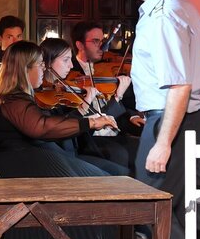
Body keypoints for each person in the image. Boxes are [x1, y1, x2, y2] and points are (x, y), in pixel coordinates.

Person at [0, 40, 119, 239]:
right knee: (92, 188)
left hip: (32, 161)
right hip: (18, 168)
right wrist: (90, 122)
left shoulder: (17, 98)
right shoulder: (11, 100)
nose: (44, 69)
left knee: (103, 183)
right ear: (24, 69)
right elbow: (41, 127)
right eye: (39, 64)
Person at [121, 0, 200, 239]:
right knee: (176, 206)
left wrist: (163, 142)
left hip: (174, 117)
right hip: (186, 117)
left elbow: (178, 84)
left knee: (150, 204)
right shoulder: (179, 4)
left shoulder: (164, 16)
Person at [39, 37, 131, 176]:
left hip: (79, 147)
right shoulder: (43, 96)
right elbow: (60, 128)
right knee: (120, 168)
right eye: (65, 60)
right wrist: (86, 105)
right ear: (47, 62)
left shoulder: (66, 88)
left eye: (71, 60)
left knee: (123, 162)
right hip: (65, 156)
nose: (71, 65)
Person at [69, 21, 141, 133]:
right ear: (80, 45)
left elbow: (126, 104)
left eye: (102, 41)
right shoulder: (70, 74)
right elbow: (88, 117)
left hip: (117, 126)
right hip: (93, 134)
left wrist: (132, 115)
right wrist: (118, 96)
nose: (103, 47)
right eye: (95, 41)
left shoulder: (107, 69)